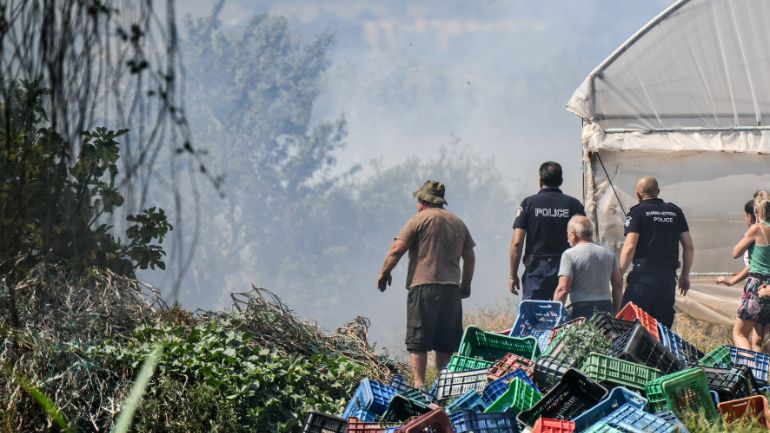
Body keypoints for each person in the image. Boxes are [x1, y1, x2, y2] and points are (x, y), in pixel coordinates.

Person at [376, 180, 475, 389]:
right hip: (451, 289)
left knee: (418, 339)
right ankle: (443, 385)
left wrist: (384, 272)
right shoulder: (457, 222)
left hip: (424, 286)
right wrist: (465, 284)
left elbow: (396, 249)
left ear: (423, 201)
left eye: (417, 201)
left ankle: (419, 385)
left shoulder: (418, 219)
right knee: (445, 342)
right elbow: (470, 257)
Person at [619, 176, 694, 328]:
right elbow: (689, 246)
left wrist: (618, 273)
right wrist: (685, 275)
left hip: (643, 278)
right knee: (660, 327)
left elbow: (630, 246)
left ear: (637, 194)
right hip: (667, 279)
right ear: (658, 191)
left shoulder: (636, 212)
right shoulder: (675, 212)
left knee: (628, 323)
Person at [509, 161, 585, 300]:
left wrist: (512, 276)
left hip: (536, 270)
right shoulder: (574, 205)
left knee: (534, 312)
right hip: (566, 269)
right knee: (563, 312)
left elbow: (517, 243)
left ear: (541, 181)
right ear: (561, 181)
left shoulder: (528, 204)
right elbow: (584, 241)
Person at [553, 215, 623, 318]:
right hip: (606, 308)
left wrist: (554, 315)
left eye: (568, 234)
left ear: (573, 235)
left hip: (581, 311)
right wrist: (616, 311)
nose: (568, 239)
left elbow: (563, 289)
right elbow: (618, 285)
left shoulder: (569, 254)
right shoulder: (608, 253)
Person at [732, 191, 770, 350]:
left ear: (756, 211)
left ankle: (749, 364)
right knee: (762, 338)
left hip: (757, 284)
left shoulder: (757, 229)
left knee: (740, 334)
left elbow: (736, 253)